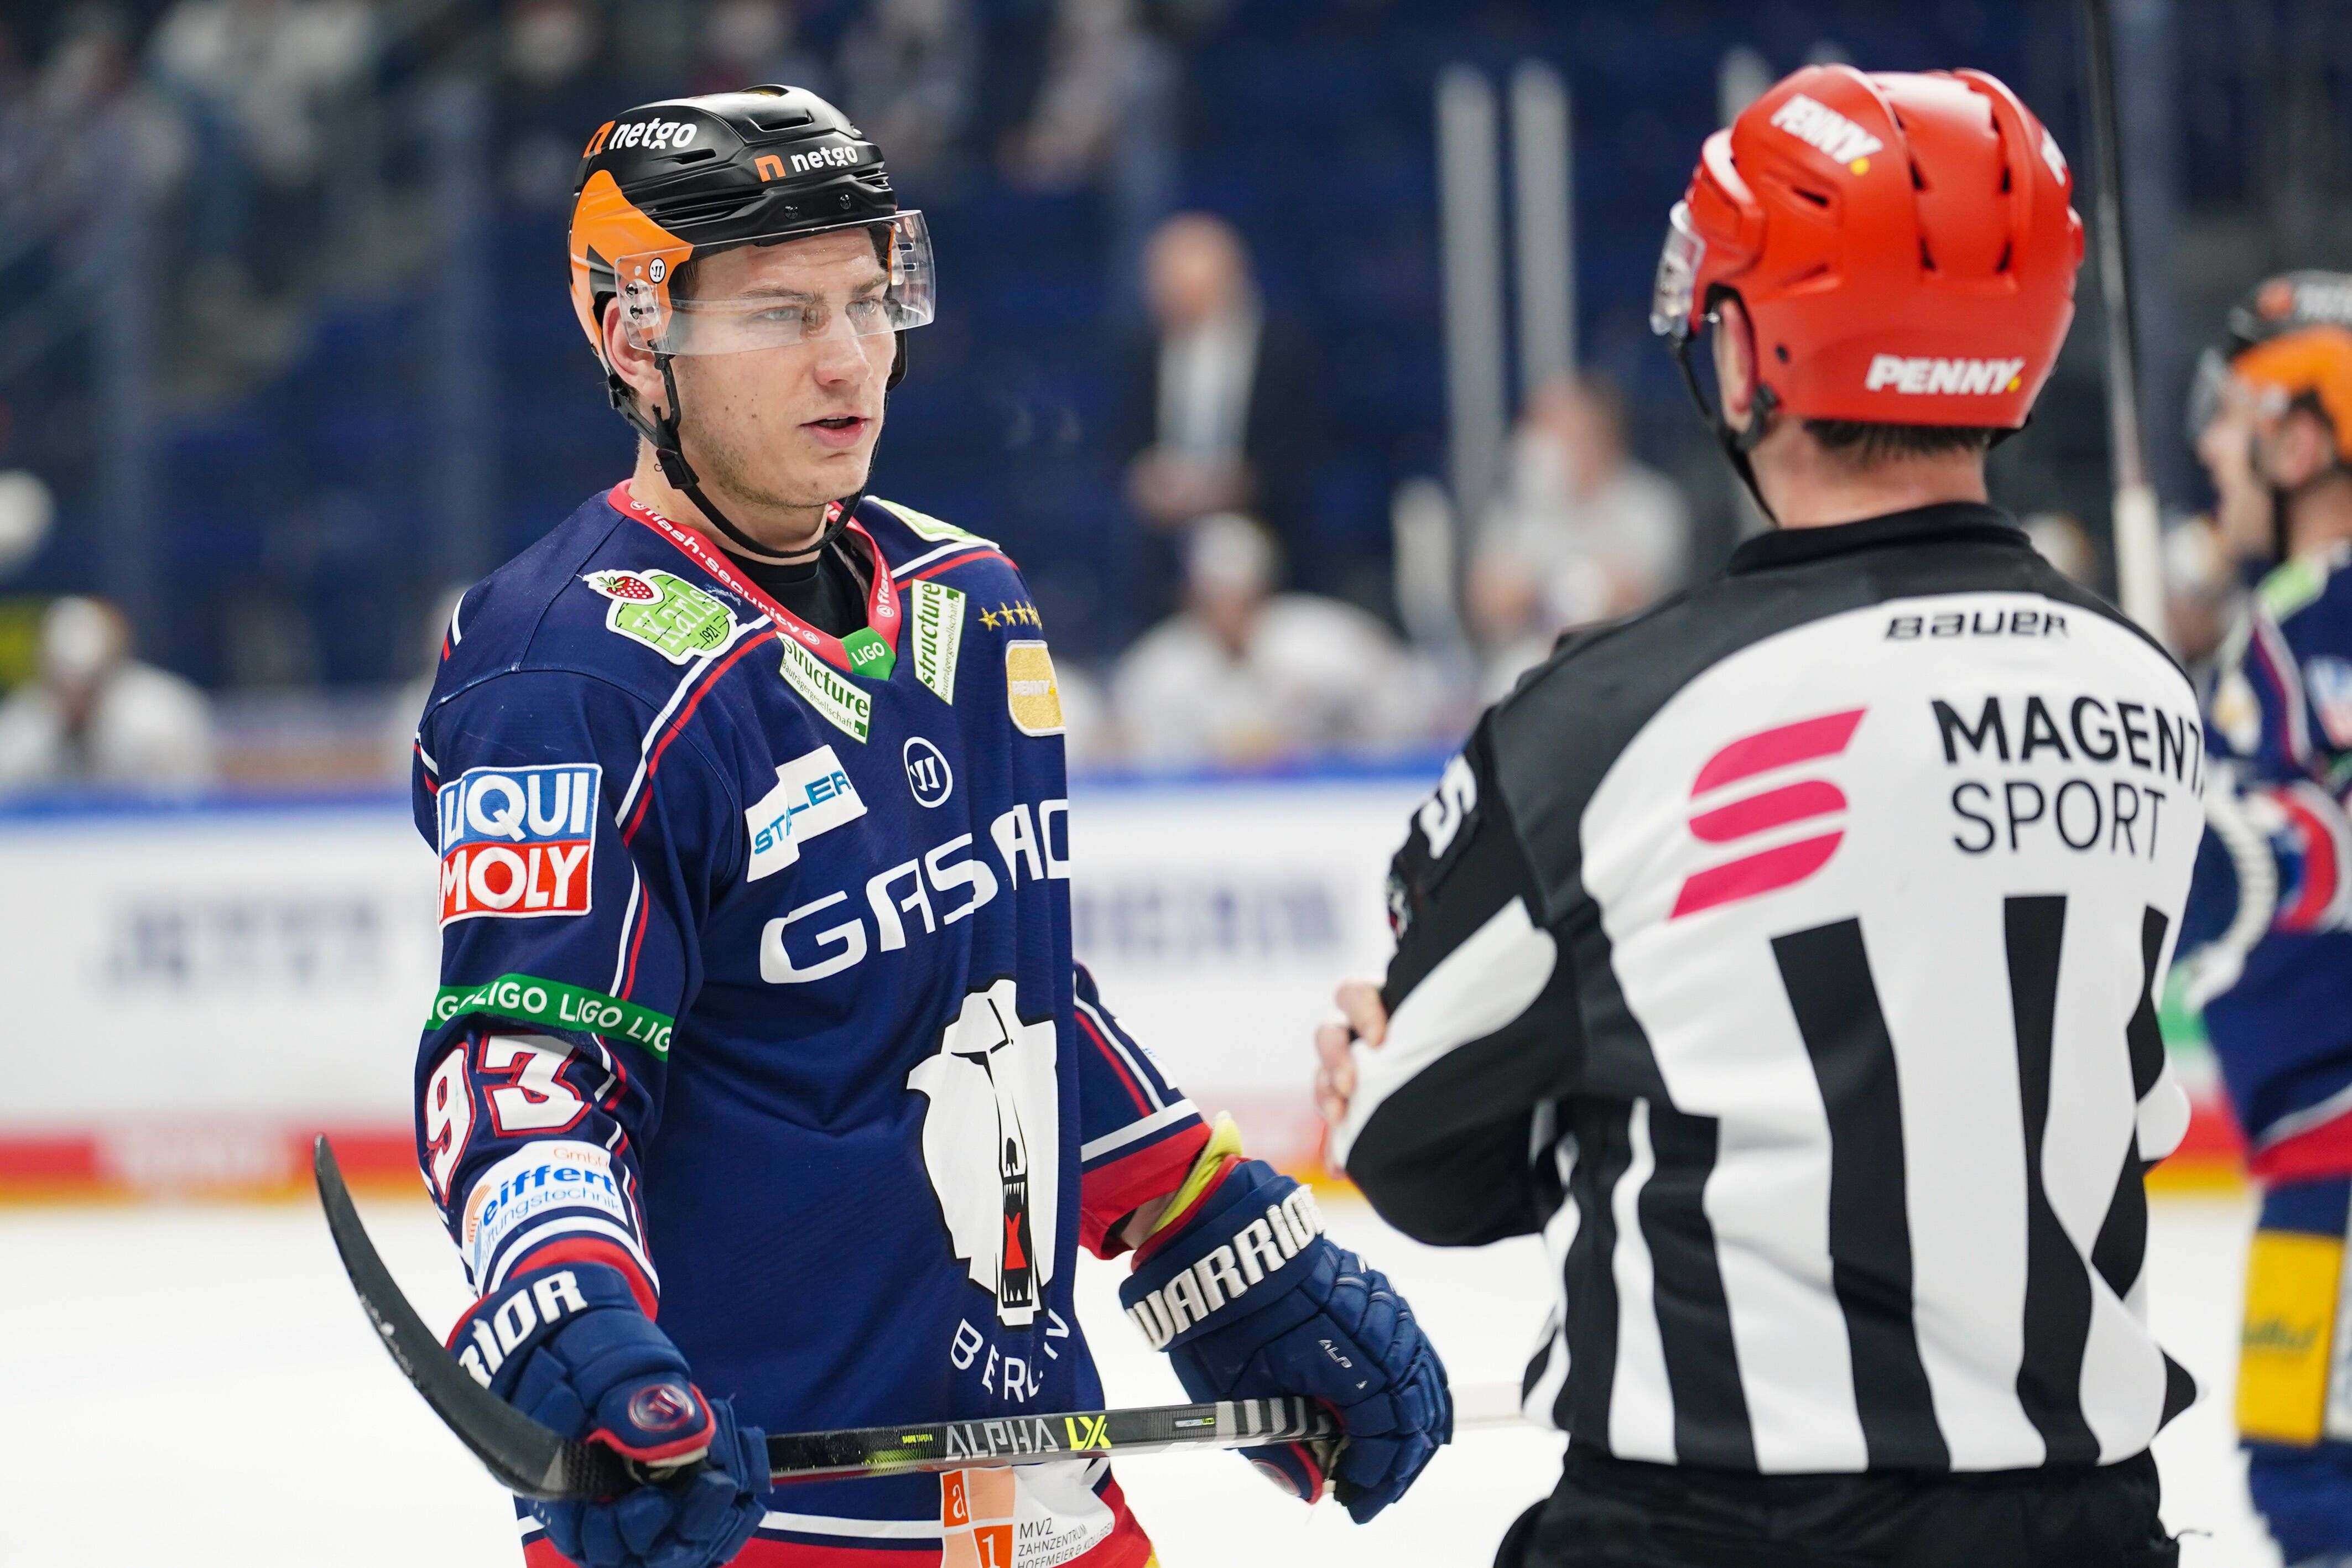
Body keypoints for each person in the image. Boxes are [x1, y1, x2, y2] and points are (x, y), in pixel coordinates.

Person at [407, 86, 1448, 1568]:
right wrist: (573, 1319)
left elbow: (1008, 999)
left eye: (866, 299)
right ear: (634, 336)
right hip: (740, 1514)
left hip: (1042, 1500)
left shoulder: (971, 598)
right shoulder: (566, 668)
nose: (849, 359)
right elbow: (527, 1061)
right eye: (778, 314)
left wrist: (1216, 1239)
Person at [1313, 64, 2199, 1568]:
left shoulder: (1610, 716)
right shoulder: (2147, 697)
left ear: (1740, 357)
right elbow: (2124, 1107)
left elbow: (1411, 1145)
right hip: (2089, 1522)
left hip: (1713, 1522)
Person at [2174, 270, 2352, 1568]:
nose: (2208, 448)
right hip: (2309, 1163)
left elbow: (2254, 877)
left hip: (2332, 1173)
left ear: (2301, 440)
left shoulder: (2294, 642)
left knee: (2313, 1487)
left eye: (2232, 415)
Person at [1109, 511, 1440, 767]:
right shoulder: (1159, 668)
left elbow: (1407, 700)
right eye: (1216, 596)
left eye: (1240, 594)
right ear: (1191, 597)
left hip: (1322, 799)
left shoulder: (1326, 641)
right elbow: (1130, 759)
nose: (1229, 610)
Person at [1117, 212, 1326, 610]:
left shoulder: (1282, 349)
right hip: (1169, 537)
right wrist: (1147, 480)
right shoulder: (1143, 352)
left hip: (1267, 522)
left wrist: (1240, 482)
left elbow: (1305, 443)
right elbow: (1126, 438)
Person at [1468, 374, 1691, 690]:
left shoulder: (1649, 503)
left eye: (1553, 431)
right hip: (1531, 666)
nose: (1538, 443)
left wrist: (1556, 585)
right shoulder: (1523, 504)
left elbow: (1631, 593)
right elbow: (1489, 602)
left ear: (1593, 437)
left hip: (1624, 664)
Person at [0, 595, 215, 789]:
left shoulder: (163, 718)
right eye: (62, 683)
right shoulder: (20, 729)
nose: (74, 698)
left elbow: (192, 803)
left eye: (87, 685)